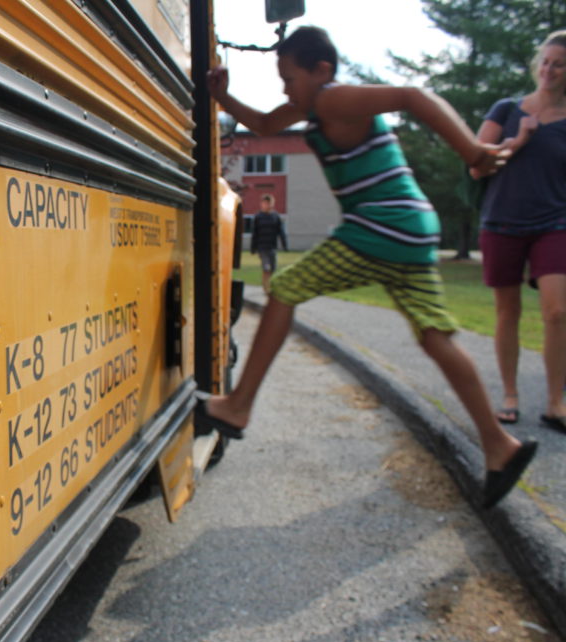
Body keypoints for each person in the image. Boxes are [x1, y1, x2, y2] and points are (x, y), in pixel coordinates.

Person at [203, 26, 537, 509]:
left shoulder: (335, 100)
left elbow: (412, 95)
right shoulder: (313, 104)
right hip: (412, 226)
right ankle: (499, 448)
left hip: (380, 225)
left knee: (287, 287)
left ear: (323, 71)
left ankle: (238, 407)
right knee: (433, 335)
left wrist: (470, 151)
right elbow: (268, 123)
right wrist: (224, 98)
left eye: (290, 78)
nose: (285, 89)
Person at [472, 30, 566, 435]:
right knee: (507, 310)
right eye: (545, 61)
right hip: (502, 222)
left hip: (555, 222)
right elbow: (477, 164)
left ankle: (555, 402)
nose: (549, 69)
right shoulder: (507, 108)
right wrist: (518, 141)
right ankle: (510, 396)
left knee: (558, 312)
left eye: (559, 63)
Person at [250, 193, 288, 293]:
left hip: (272, 247)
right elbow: (255, 233)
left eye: (268, 203)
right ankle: (266, 289)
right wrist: (253, 248)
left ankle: (270, 287)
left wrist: (284, 245)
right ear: (262, 204)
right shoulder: (258, 217)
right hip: (262, 247)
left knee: (272, 269)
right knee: (266, 268)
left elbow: (281, 232)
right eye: (264, 203)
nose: (266, 205)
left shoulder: (276, 216)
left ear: (272, 204)